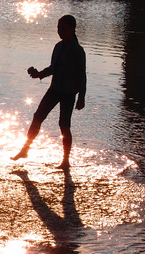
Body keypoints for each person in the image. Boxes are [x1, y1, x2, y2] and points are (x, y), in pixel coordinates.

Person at [12, 14, 86, 169]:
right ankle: (25, 149)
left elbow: (82, 76)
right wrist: (39, 74)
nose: (60, 31)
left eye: (63, 29)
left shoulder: (78, 51)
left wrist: (81, 97)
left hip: (69, 93)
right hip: (54, 89)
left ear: (72, 29)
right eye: (58, 28)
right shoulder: (58, 47)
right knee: (37, 117)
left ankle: (65, 161)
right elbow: (53, 68)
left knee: (64, 125)